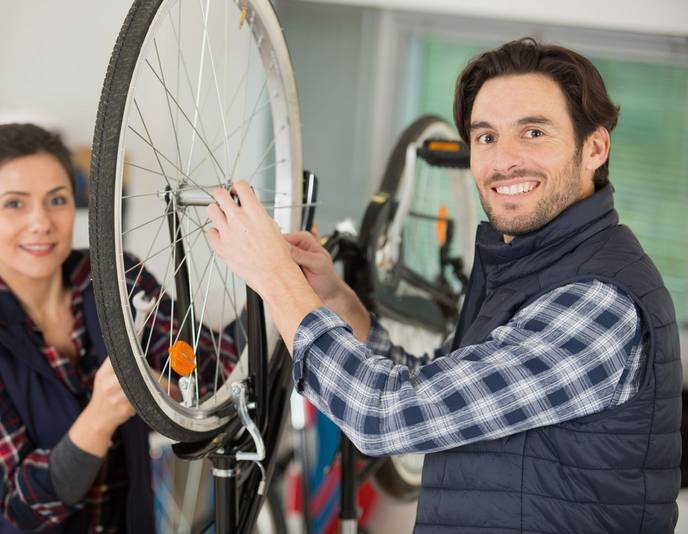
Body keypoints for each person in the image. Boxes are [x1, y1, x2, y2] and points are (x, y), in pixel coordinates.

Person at [207, 38, 680, 533]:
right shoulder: (524, 270)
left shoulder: (598, 304)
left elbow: (386, 416)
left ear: (595, 148)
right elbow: (433, 389)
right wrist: (336, 301)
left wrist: (276, 277)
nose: (504, 160)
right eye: (486, 137)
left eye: (534, 132)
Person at [0, 123, 236, 533]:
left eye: (57, 200)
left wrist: (168, 388)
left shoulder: (116, 280)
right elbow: (24, 503)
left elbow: (218, 371)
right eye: (14, 204)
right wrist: (101, 414)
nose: (41, 222)